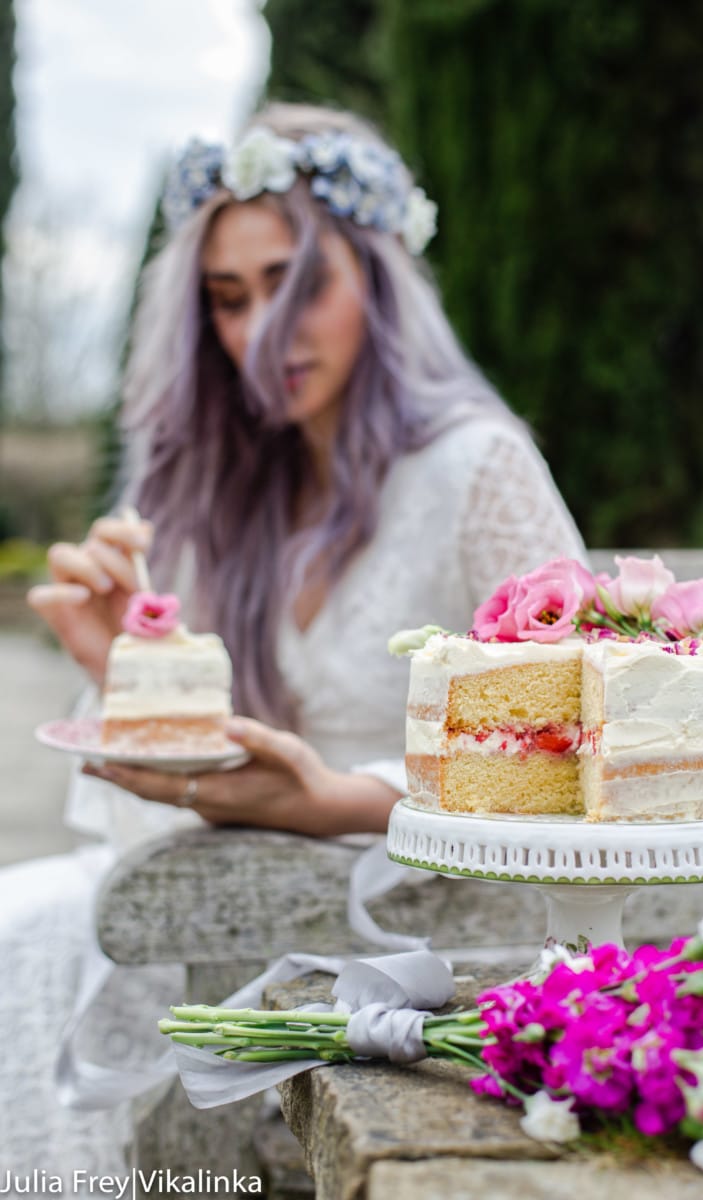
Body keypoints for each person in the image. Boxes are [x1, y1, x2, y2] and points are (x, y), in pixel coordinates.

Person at [6, 102, 585, 1176]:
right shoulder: (234, 490)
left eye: (295, 284)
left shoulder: (475, 466)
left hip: (432, 926)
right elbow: (204, 756)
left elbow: (572, 743)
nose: (257, 332)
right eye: (227, 299)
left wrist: (340, 801)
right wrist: (118, 665)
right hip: (251, 899)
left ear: (377, 279)